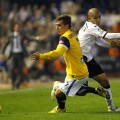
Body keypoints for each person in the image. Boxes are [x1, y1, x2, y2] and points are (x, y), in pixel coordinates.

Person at [32, 14, 109, 113]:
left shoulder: (65, 38)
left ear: (67, 26)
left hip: (77, 74)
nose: (57, 28)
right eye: (56, 25)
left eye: (59, 25)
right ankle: (95, 90)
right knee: (79, 92)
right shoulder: (72, 34)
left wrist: (41, 56)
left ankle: (61, 108)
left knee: (58, 93)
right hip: (78, 70)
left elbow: (57, 53)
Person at [78, 8, 120, 112]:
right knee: (80, 91)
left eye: (99, 17)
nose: (98, 20)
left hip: (88, 59)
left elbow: (99, 41)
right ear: (89, 18)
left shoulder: (90, 27)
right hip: (80, 61)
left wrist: (111, 45)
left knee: (104, 81)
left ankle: (111, 107)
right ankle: (58, 87)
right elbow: (107, 35)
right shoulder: (91, 27)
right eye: (95, 18)